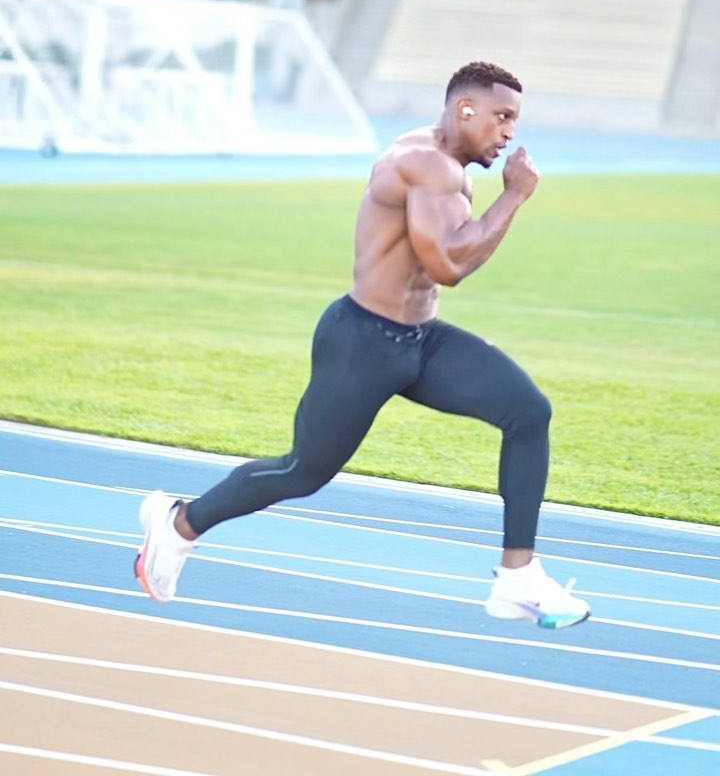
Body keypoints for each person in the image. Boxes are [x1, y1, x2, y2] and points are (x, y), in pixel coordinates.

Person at [135, 60, 590, 629]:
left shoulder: (452, 169)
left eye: (514, 121)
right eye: (501, 117)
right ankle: (179, 524)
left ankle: (517, 579)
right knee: (302, 472)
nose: (509, 133)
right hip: (362, 343)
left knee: (527, 412)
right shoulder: (423, 163)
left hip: (419, 340)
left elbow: (443, 262)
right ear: (464, 109)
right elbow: (447, 266)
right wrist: (515, 196)